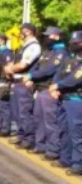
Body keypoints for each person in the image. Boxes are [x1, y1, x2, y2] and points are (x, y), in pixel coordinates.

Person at [22, 26, 68, 156]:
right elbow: (37, 66)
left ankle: (53, 149)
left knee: (50, 121)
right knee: (38, 118)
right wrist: (30, 76)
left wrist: (31, 76)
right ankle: (40, 145)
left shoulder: (61, 52)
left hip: (49, 89)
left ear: (56, 36)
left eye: (49, 36)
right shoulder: (47, 51)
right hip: (40, 89)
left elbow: (50, 69)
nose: (46, 38)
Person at [4, 23, 42, 149]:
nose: (21, 33)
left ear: (30, 32)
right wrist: (9, 68)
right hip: (16, 81)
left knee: (24, 111)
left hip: (24, 83)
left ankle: (28, 138)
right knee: (16, 111)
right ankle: (21, 135)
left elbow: (23, 65)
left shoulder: (34, 46)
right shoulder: (23, 46)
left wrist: (10, 69)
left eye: (23, 31)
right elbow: (16, 62)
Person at [49, 31, 82, 175]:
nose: (74, 45)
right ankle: (65, 159)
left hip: (77, 100)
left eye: (78, 43)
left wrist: (58, 86)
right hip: (64, 98)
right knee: (64, 130)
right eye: (73, 42)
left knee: (76, 134)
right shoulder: (69, 59)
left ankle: (78, 164)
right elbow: (59, 73)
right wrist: (54, 87)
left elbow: (75, 78)